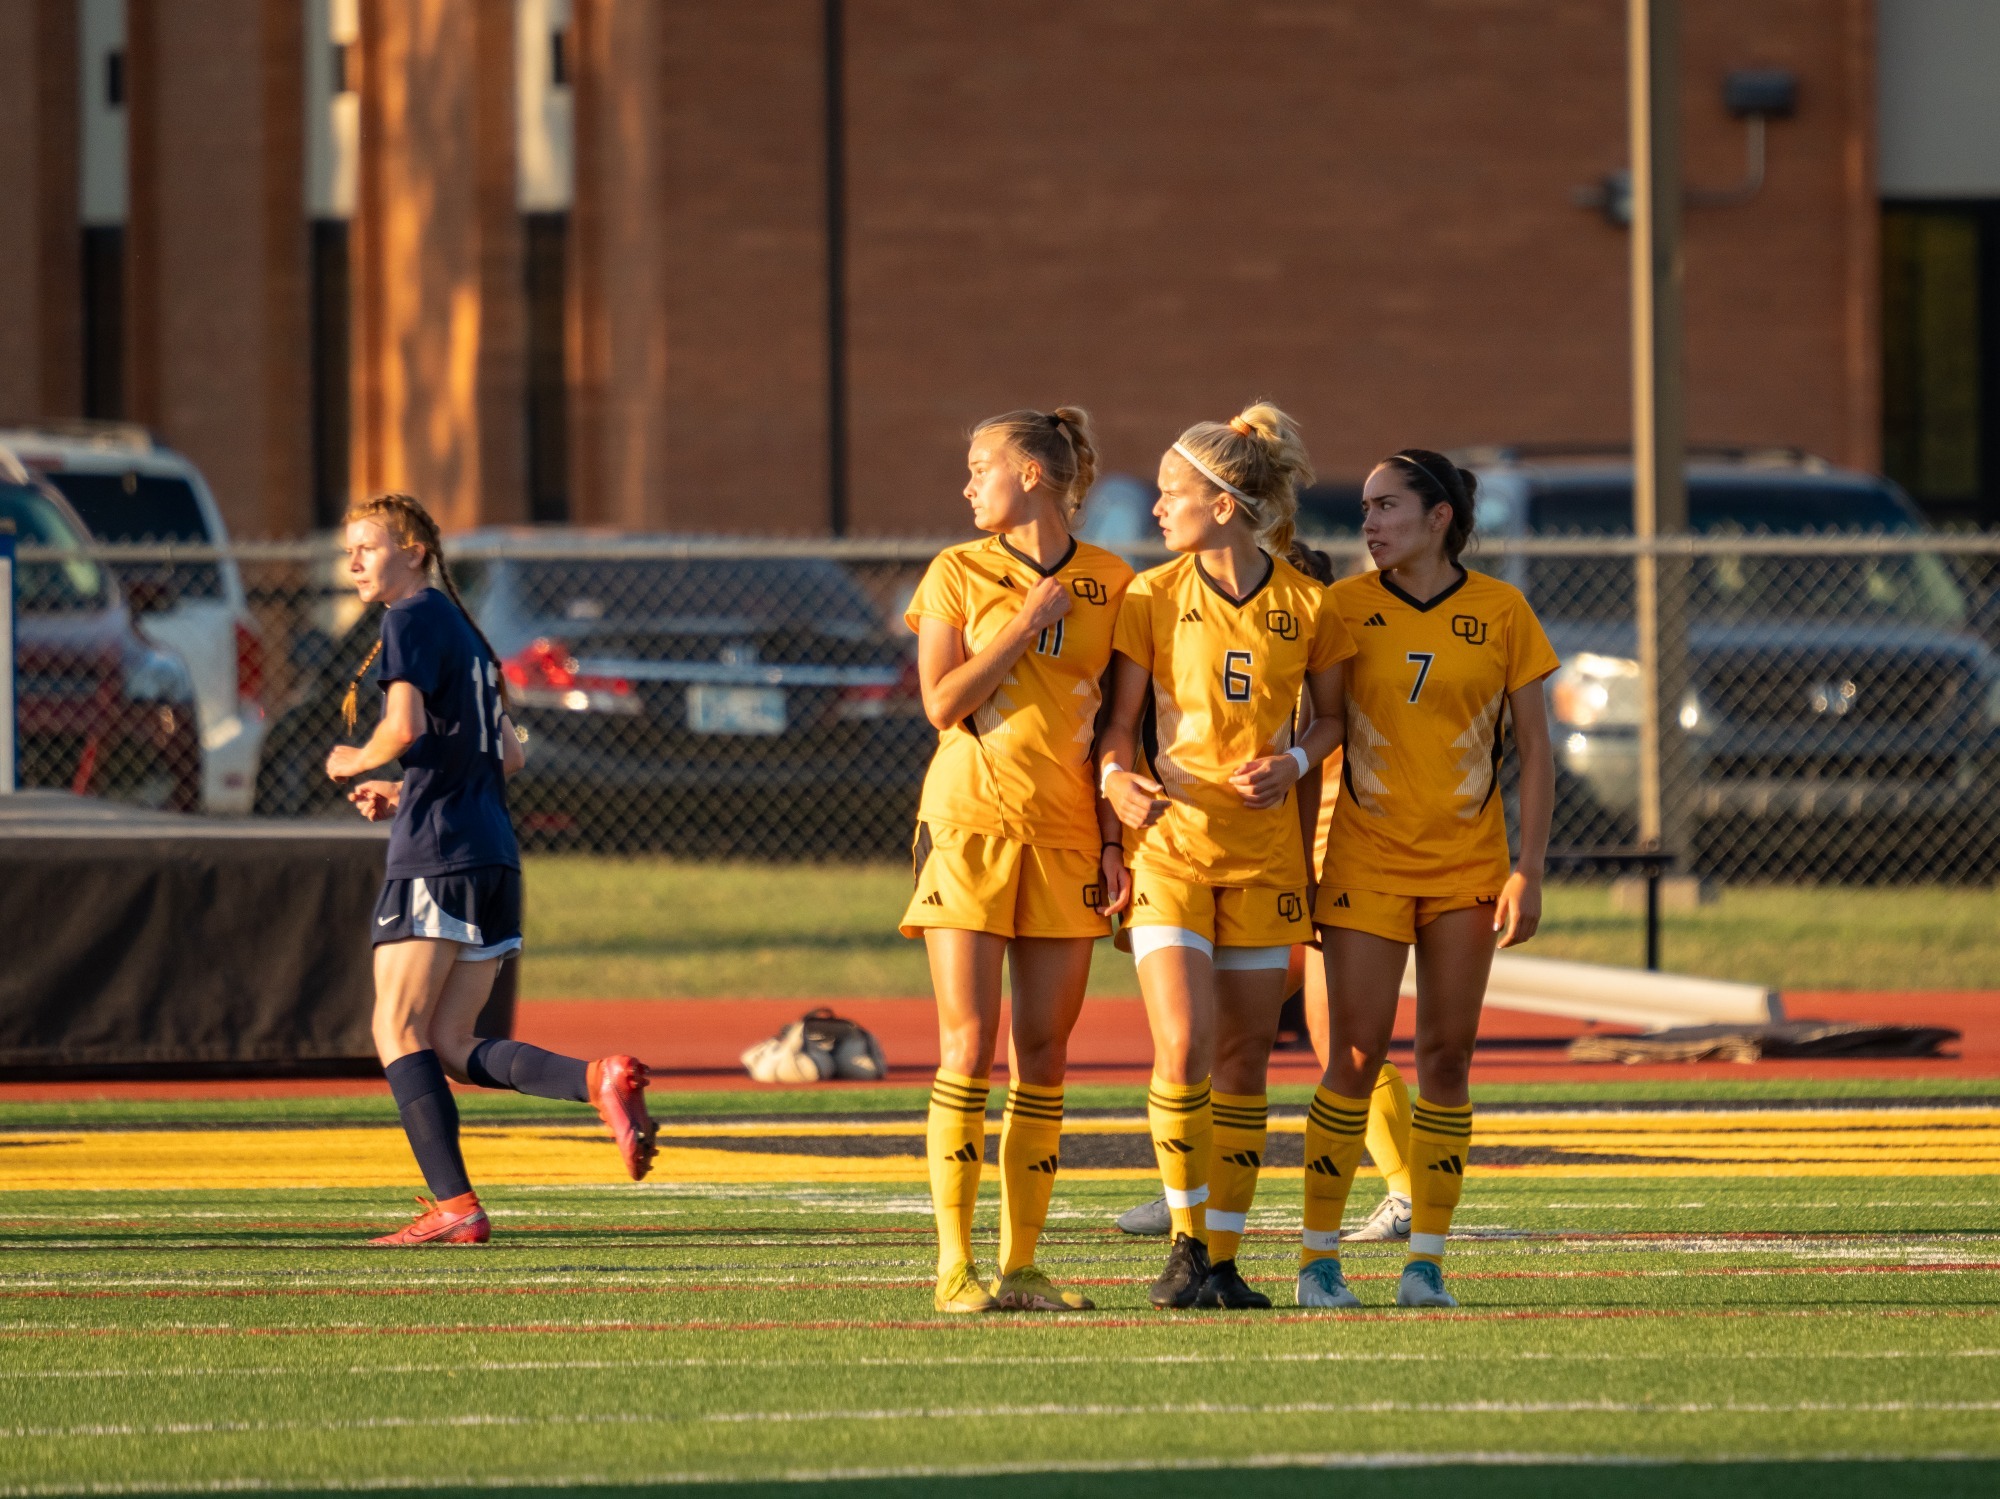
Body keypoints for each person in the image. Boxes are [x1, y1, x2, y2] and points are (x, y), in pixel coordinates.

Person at [327, 493, 658, 1246]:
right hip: (493, 852)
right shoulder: (468, 629)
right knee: (448, 1040)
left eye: (367, 547)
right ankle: (595, 1078)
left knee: (396, 1026)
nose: (352, 561)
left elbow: (404, 725)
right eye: (347, 549)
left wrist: (362, 756)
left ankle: (455, 1206)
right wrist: (407, 784)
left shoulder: (408, 617)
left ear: (414, 550)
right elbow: (507, 753)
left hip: (437, 852)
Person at [1099, 403, 1354, 1310]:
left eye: (1172, 493)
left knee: (1247, 1060)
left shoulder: (1305, 601)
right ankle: (1182, 1239)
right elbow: (1120, 726)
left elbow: (1330, 721)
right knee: (1185, 1044)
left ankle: (1224, 1260)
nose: (1158, 508)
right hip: (1171, 847)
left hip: (1265, 859)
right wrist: (1112, 779)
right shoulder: (1149, 595)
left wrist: (1291, 760)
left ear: (1224, 502)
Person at [1294, 449, 1557, 1310]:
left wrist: (1528, 869)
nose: (1369, 522)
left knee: (1448, 1056)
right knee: (1354, 1056)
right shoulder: (1342, 607)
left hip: (1468, 868)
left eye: (1387, 506)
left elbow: (1537, 754)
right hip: (1364, 860)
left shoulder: (1502, 609)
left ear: (1440, 517)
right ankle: (1318, 1260)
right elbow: (1317, 730)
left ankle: (1427, 1263)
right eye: (1365, 508)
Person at [902, 408, 1135, 1313]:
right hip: (967, 823)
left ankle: (1023, 1264)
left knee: (1043, 1056)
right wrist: (1026, 621)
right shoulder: (956, 572)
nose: (967, 485)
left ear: (1032, 473)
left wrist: (1116, 839)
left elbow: (1121, 724)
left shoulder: (1117, 581)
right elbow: (942, 701)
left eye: (979, 466)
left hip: (1071, 833)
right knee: (968, 1046)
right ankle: (954, 1267)